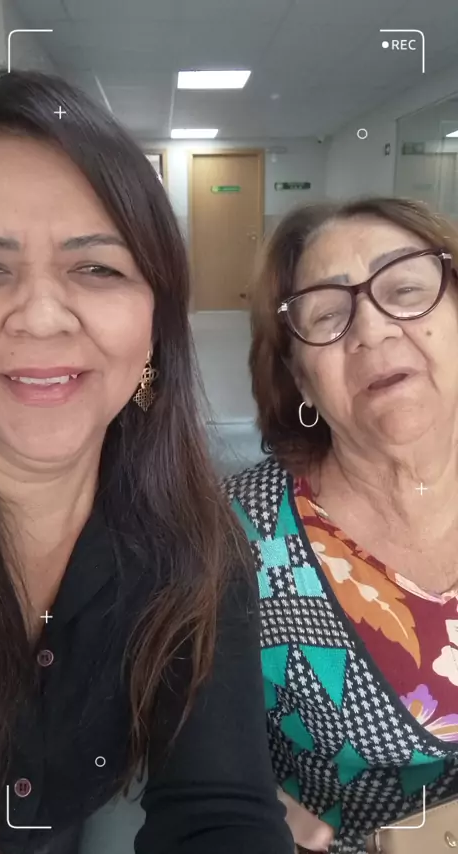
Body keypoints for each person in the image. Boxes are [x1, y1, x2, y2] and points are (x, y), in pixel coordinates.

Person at [0, 67, 294, 854]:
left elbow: (221, 810)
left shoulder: (194, 542)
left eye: (98, 268)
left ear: (156, 323)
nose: (43, 318)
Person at [223, 197, 458, 853]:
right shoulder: (232, 534)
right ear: (299, 378)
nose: (373, 331)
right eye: (328, 315)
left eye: (405, 291)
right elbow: (162, 727)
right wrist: (243, 801)